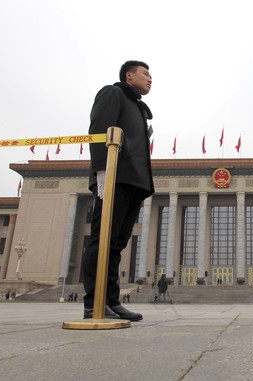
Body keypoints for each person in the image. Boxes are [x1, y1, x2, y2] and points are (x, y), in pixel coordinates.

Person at [82, 60, 155, 322]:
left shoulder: (138, 108)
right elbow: (100, 130)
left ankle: (111, 300)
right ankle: (94, 303)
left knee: (116, 245)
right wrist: (102, 171)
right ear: (129, 75)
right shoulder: (113, 93)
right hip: (114, 177)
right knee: (102, 240)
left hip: (134, 182)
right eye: (145, 74)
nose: (150, 79)